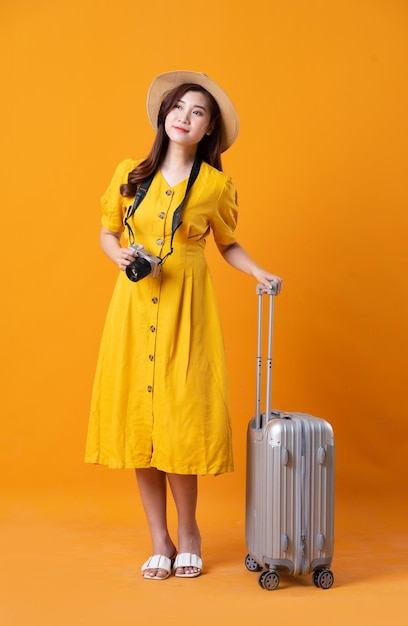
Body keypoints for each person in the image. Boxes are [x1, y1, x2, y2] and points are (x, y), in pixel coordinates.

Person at [85, 70, 282, 580]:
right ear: (163, 115)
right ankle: (160, 539)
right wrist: (121, 256)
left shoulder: (216, 185)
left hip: (186, 308)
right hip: (134, 307)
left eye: (197, 112)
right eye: (178, 108)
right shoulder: (130, 173)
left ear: (209, 128)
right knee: (140, 422)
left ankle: (189, 530)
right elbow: (107, 235)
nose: (184, 117)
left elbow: (227, 243)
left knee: (179, 419)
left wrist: (259, 270)